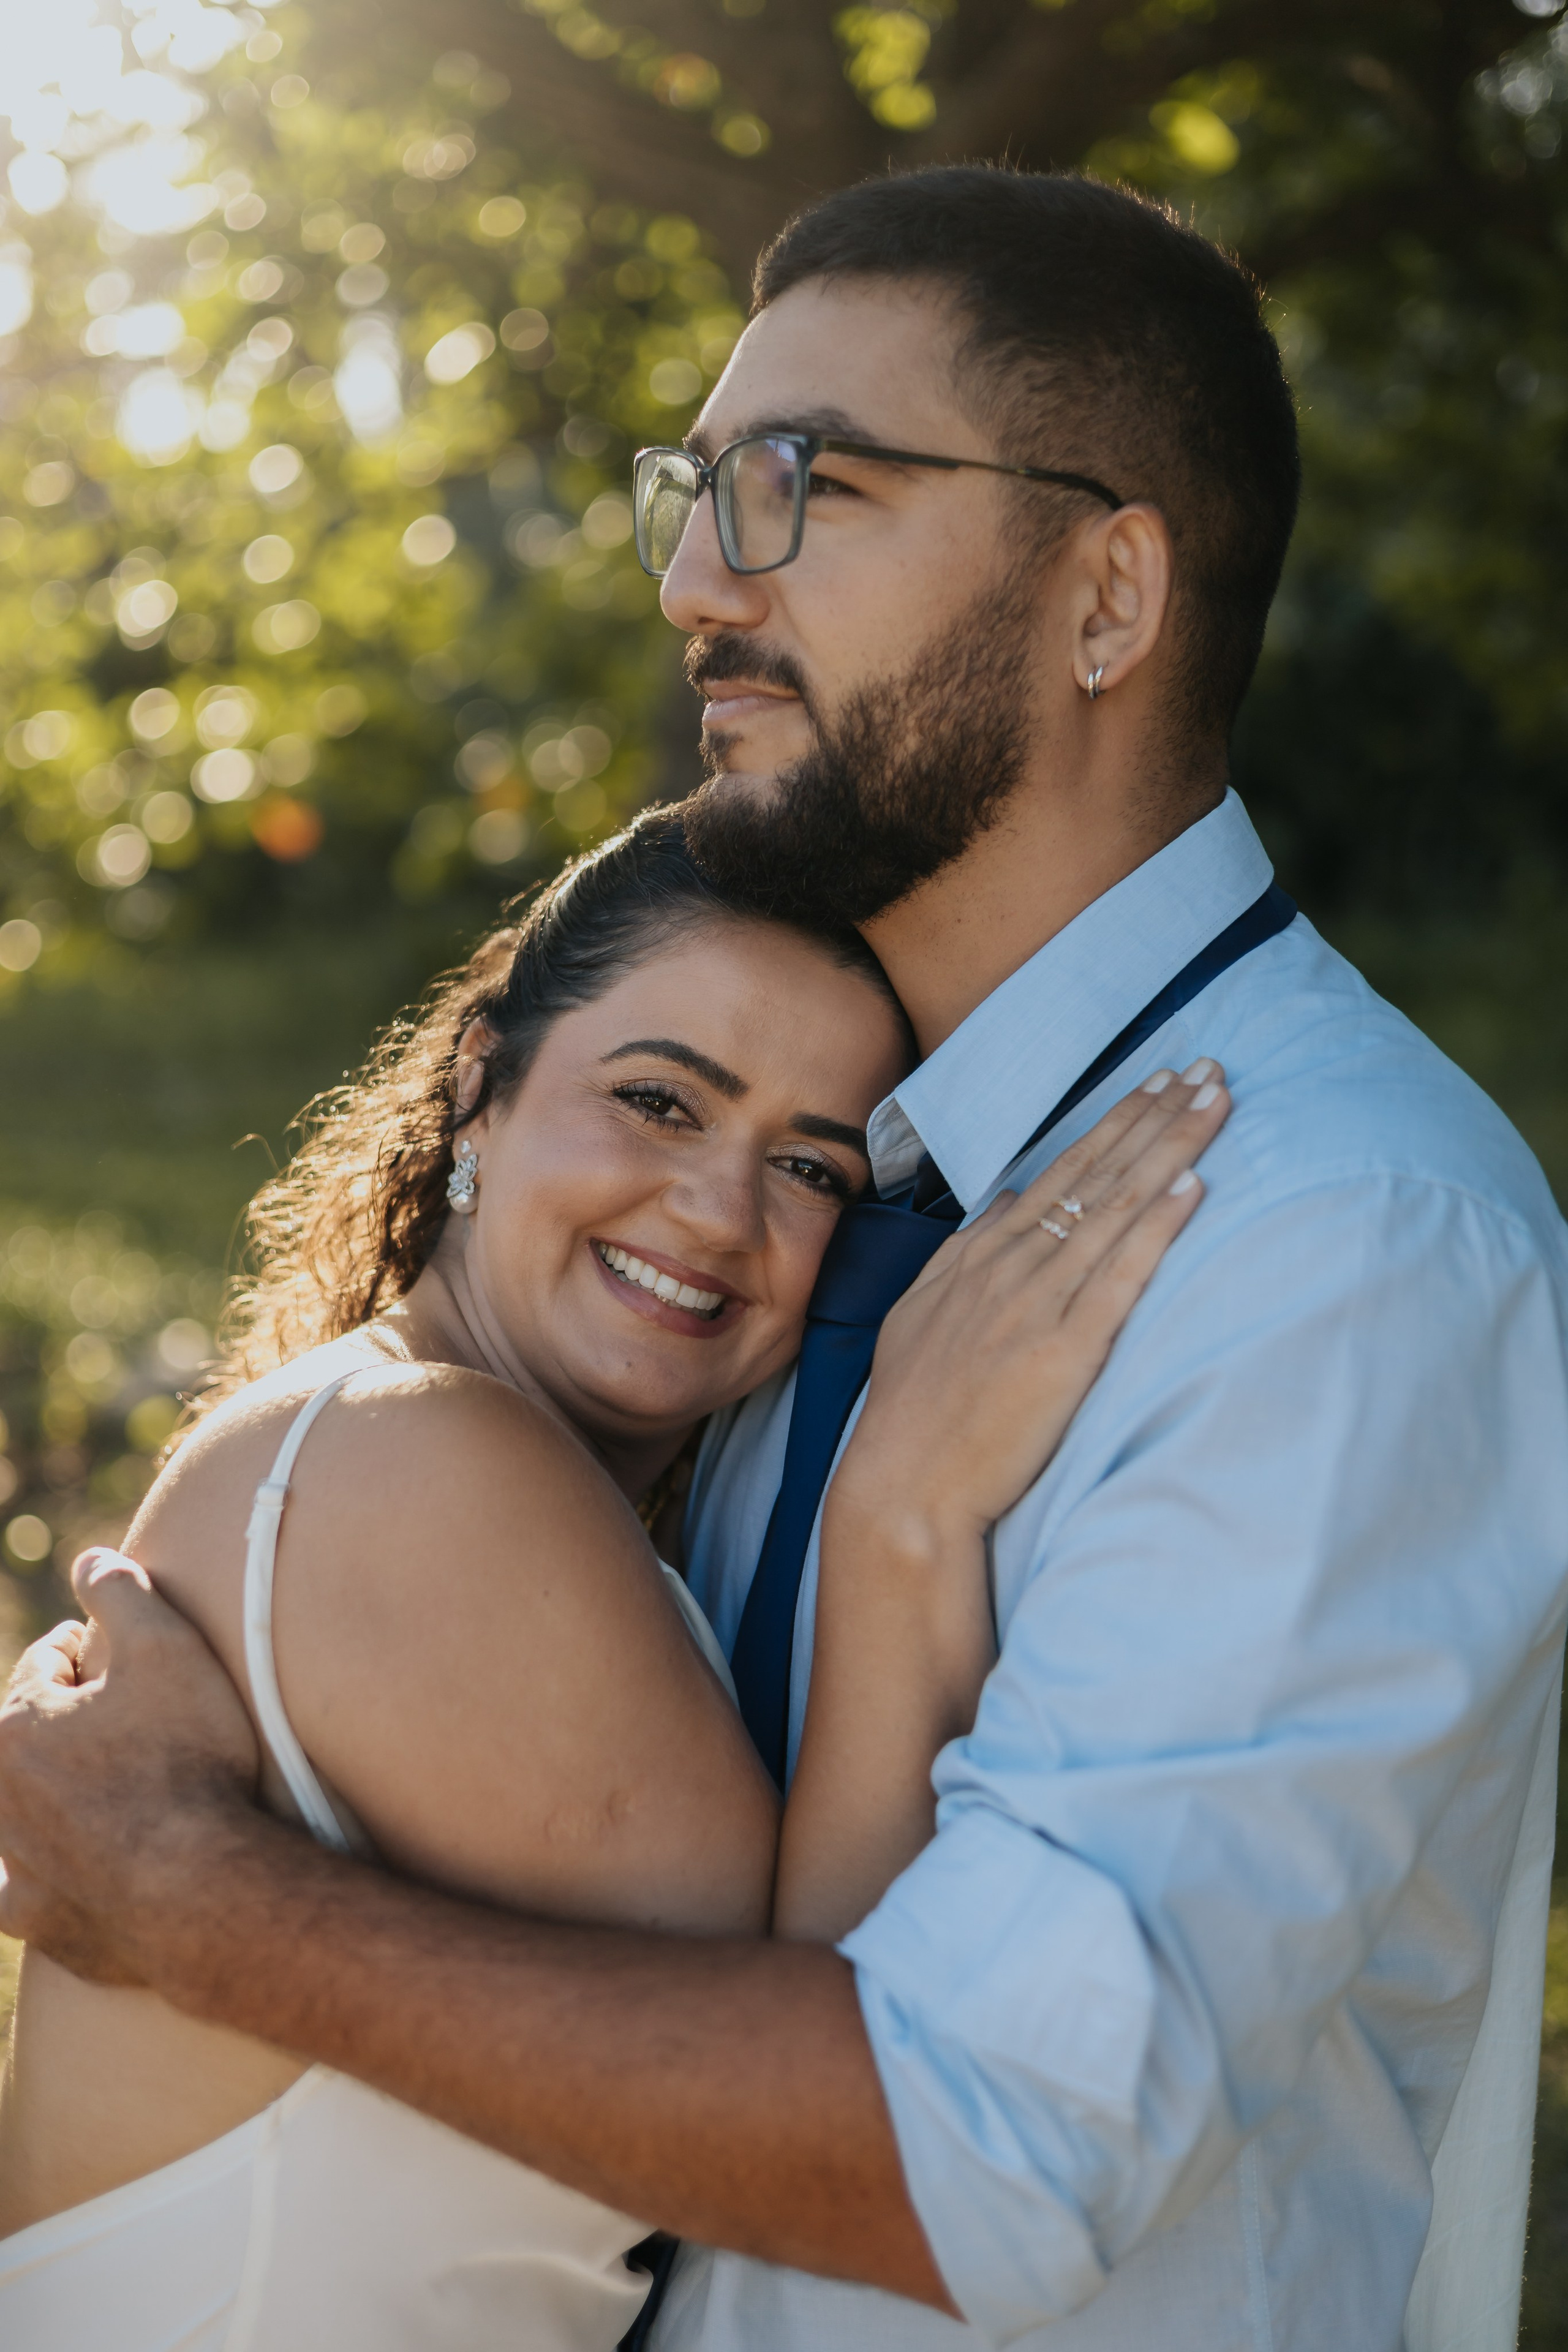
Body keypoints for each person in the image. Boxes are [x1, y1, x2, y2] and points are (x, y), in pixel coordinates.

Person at [2, 160, 1567, 2352]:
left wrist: (193, 1897)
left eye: (800, 486)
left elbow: (982, 2156)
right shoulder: (853, 1175)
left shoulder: (1331, 1242)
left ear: (1108, 596)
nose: (696, 591)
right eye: (696, 492)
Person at [0, 806, 1226, 2348]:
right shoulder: (420, 1465)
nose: (719, 1213)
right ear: (480, 1087)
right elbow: (805, 2126)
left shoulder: (431, 1454)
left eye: (807, 1165)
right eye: (656, 1101)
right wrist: (901, 1519)